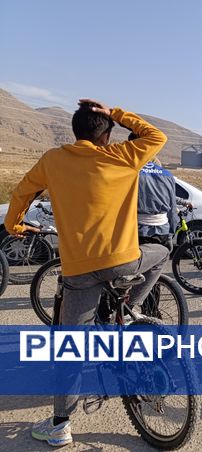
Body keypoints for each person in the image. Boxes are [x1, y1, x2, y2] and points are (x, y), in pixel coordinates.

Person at [3, 99, 169, 446]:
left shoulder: (53, 160)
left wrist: (14, 225)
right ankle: (131, 306)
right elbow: (157, 136)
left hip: (79, 270)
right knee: (162, 252)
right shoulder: (122, 155)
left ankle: (60, 425)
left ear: (74, 131)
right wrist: (116, 113)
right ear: (106, 135)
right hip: (125, 262)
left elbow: (22, 192)